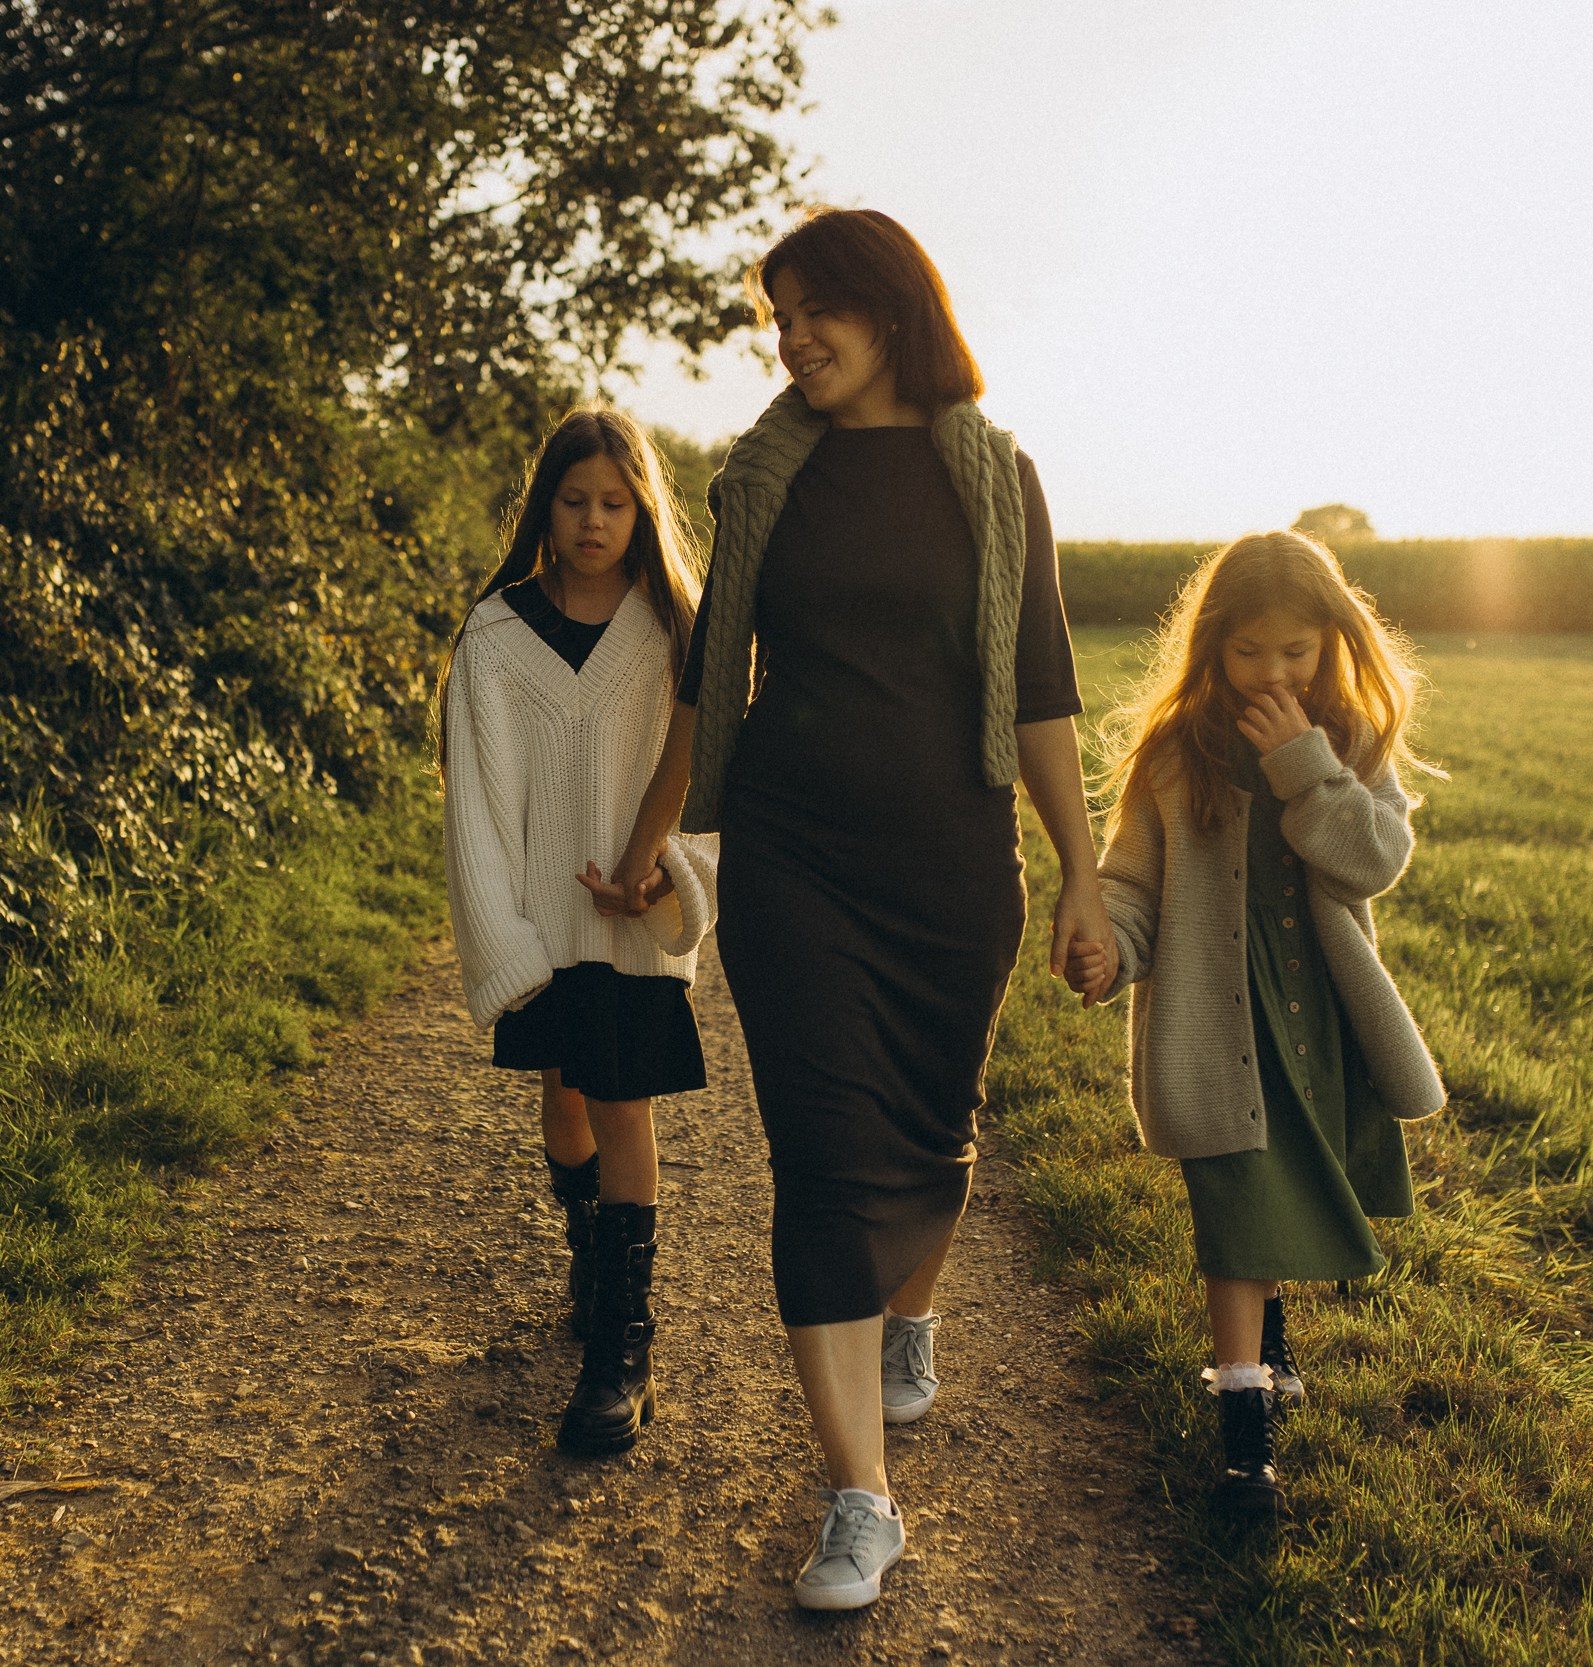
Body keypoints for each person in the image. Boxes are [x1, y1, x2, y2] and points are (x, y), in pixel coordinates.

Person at [601, 208, 1111, 1610]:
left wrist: (1081, 869)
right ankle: (856, 1498)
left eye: (816, 307)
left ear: (896, 311)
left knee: (933, 1144)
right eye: (779, 313)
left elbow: (1043, 685)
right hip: (797, 859)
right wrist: (653, 841)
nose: (793, 337)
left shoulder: (994, 476)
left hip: (951, 863)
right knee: (824, 1162)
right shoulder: (769, 478)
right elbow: (711, 679)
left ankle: (912, 1312)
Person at [1078, 530, 1447, 1517]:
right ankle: (1246, 1443)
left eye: (1296, 650)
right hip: (1211, 1014)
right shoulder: (1174, 751)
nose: (1273, 670)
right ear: (1212, 646)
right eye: (1249, 651)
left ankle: (1270, 1342)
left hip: (1312, 1017)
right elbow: (1131, 882)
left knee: (1280, 1182)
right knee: (1238, 1216)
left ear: (1331, 642)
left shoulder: (1354, 741)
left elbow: (1371, 861)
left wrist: (1302, 765)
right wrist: (1109, 944)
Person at [440, 407, 719, 1457]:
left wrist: (670, 877)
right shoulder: (498, 633)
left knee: (622, 1109)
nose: (595, 519)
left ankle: (621, 1345)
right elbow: (472, 797)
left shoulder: (672, 632)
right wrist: (502, 936)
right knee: (565, 1102)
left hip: (637, 928)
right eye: (575, 500)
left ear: (642, 507)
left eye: (615, 501)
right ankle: (587, 1244)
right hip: (544, 918)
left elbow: (712, 779)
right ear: (544, 509)